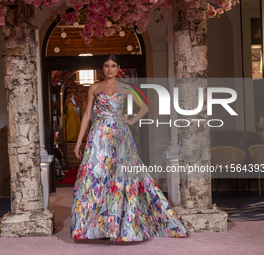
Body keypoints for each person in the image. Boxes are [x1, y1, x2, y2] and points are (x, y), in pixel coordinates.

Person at [70, 55, 188, 242]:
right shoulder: (95, 87)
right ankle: (100, 226)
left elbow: (145, 107)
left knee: (121, 178)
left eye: (113, 66)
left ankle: (121, 225)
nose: (110, 69)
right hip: (99, 135)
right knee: (97, 177)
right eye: (107, 66)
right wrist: (79, 142)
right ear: (103, 68)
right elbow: (86, 115)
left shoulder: (125, 87)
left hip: (120, 135)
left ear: (118, 68)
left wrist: (131, 120)